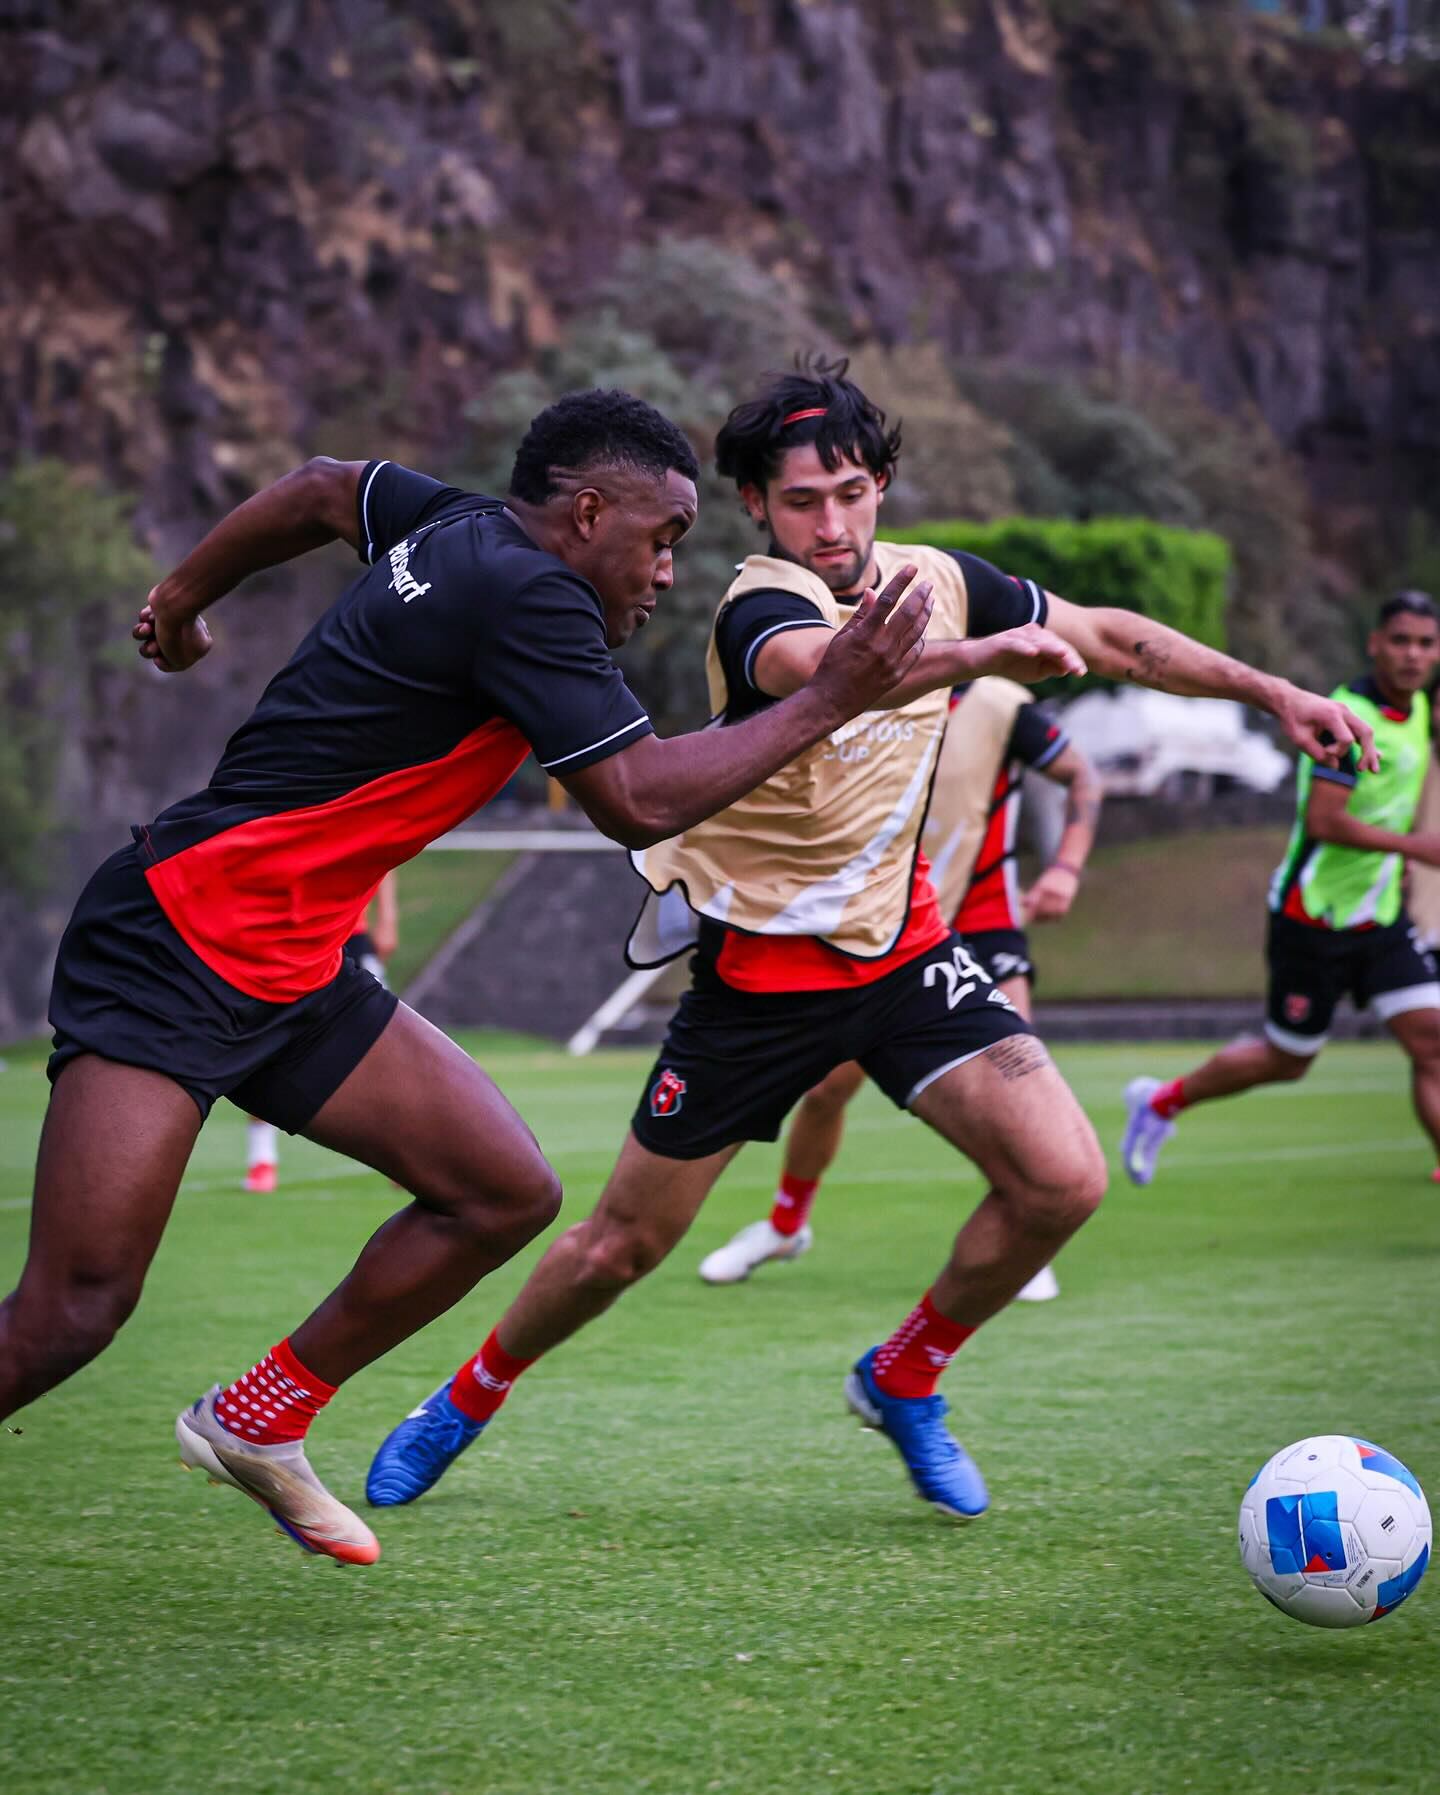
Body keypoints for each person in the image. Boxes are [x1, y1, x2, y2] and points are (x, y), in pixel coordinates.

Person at [368, 356, 1375, 1525]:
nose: (831, 522)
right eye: (802, 500)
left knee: (1063, 1178)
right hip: (757, 983)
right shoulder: (759, 605)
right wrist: (985, 659)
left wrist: (1275, 693)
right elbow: (836, 673)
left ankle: (905, 1375)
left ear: (881, 480)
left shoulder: (940, 581)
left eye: (849, 491)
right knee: (617, 1249)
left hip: (907, 960)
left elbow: (1109, 635)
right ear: (758, 507)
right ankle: (464, 1398)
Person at [0, 388, 937, 1567]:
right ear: (589, 512)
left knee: (500, 1191)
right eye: (661, 539)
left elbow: (323, 485)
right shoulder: (530, 594)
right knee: (73, 1311)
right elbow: (637, 798)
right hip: (177, 941)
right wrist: (833, 695)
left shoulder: (452, 528)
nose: (663, 574)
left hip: (296, 968)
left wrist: (184, 597)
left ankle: (261, 1416)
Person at [696, 678, 1102, 1295]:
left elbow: (1083, 778)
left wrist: (1066, 869)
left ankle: (1026, 1237)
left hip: (983, 918)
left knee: (1019, 1086)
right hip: (893, 923)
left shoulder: (999, 702)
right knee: (828, 1090)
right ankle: (785, 1226)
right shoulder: (868, 695)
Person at [1122, 590, 1440, 1185]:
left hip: (1383, 919)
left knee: (1432, 1043)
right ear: (1375, 644)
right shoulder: (1343, 718)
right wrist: (1418, 849)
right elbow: (1324, 821)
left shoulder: (1420, 709)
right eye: (1400, 640)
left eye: (1425, 643)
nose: (1412, 655)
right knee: (1288, 1059)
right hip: (1313, 917)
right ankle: (1160, 1101)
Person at [244, 871, 400, 1193]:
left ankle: (401, 1156)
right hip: (296, 934)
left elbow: (383, 861)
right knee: (269, 1041)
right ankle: (261, 1158)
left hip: (352, 934)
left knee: (383, 1049)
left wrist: (388, 917)